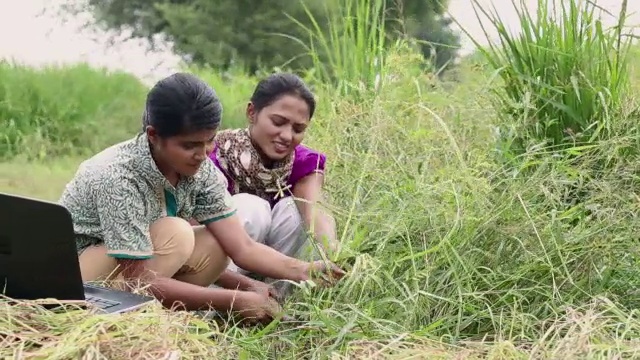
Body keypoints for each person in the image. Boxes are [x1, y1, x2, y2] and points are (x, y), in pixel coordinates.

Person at [58, 72, 345, 324]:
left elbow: (242, 247)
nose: (204, 152)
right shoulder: (118, 177)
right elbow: (139, 280)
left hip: (131, 273)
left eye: (209, 140)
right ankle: (122, 320)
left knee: (215, 243)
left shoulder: (199, 170)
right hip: (73, 278)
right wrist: (231, 301)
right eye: (190, 145)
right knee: (178, 232)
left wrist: (307, 270)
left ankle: (161, 319)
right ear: (154, 135)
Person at [209, 73, 339, 296]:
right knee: (251, 207)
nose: (287, 136)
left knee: (294, 209)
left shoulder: (304, 163)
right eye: (278, 123)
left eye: (298, 129)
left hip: (281, 270)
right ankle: (214, 308)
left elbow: (315, 212)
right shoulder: (214, 154)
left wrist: (335, 254)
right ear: (252, 112)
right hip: (218, 273)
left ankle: (275, 306)